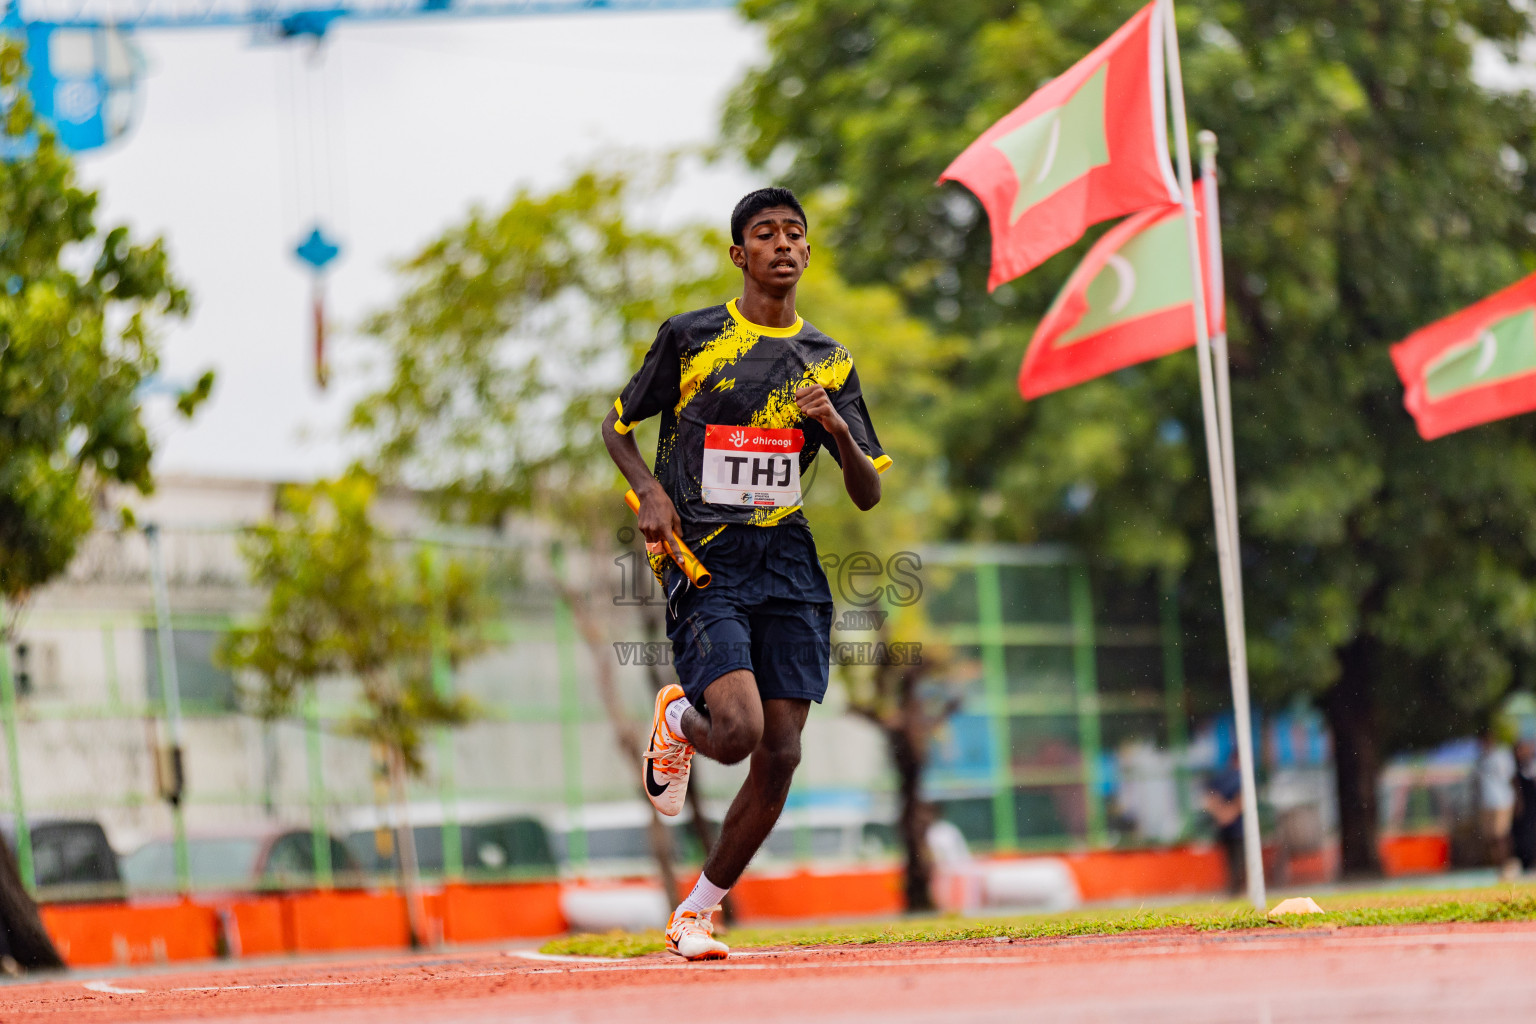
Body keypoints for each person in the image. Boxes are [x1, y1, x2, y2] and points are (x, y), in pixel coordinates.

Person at [601, 187, 889, 961]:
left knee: (784, 751)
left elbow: (868, 493)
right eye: (766, 234)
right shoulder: (692, 339)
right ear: (740, 254)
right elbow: (618, 424)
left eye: (796, 234)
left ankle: (696, 911)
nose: (784, 245)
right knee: (736, 733)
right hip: (706, 558)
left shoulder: (829, 361)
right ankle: (677, 723)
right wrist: (652, 493)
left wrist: (833, 426)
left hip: (788, 561)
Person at [1473, 728, 1517, 875]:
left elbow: (1512, 778)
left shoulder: (1501, 755)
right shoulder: (1480, 760)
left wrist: (1517, 799)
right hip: (1486, 803)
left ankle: (1508, 865)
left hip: (1502, 800)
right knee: (1490, 838)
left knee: (1500, 835)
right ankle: (1499, 867)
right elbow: (1478, 784)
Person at [1203, 750, 1244, 896]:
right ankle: (1237, 888)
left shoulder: (1221, 778)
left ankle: (1234, 888)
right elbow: (1242, 799)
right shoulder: (1243, 777)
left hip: (1226, 826)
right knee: (1239, 858)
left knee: (1231, 859)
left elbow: (1211, 798)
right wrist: (1229, 813)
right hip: (1238, 826)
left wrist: (1222, 814)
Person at [1512, 739, 1536, 874]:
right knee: (1525, 834)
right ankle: (1526, 861)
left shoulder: (1531, 764)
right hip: (1525, 805)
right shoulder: (1517, 766)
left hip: (1532, 802)